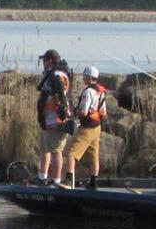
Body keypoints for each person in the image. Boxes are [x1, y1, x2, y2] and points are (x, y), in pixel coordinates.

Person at [35, 49, 73, 184]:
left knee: (56, 150)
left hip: (56, 119)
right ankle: (42, 177)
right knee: (45, 148)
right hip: (47, 118)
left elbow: (60, 96)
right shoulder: (52, 74)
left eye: (44, 60)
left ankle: (56, 181)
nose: (43, 63)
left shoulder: (58, 75)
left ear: (50, 60)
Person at [69, 66, 108, 186]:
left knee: (71, 154)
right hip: (97, 127)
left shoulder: (88, 92)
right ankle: (93, 182)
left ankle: (68, 181)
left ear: (89, 77)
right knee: (94, 155)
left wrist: (74, 112)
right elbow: (103, 111)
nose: (83, 78)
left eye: (84, 76)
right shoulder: (101, 91)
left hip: (87, 128)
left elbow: (84, 112)